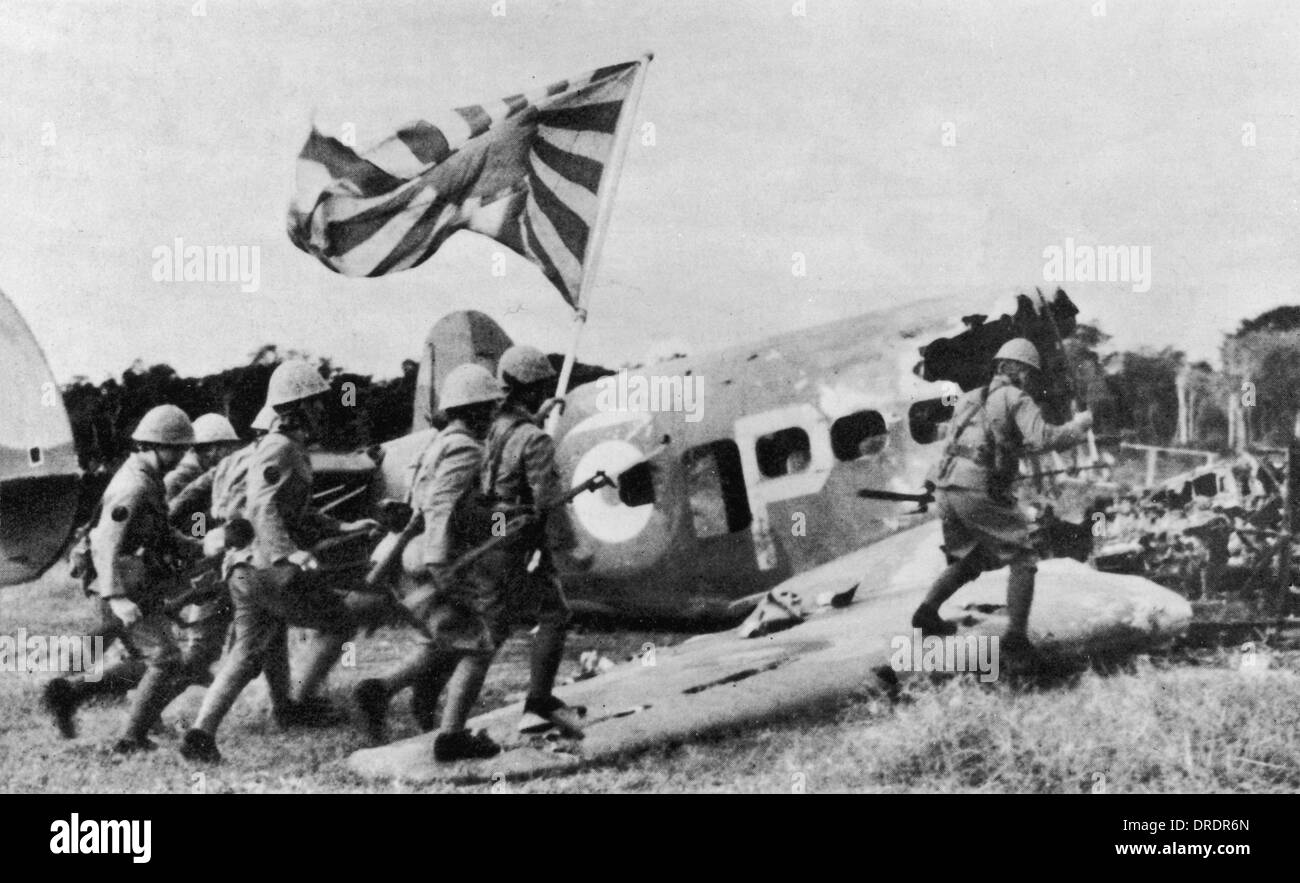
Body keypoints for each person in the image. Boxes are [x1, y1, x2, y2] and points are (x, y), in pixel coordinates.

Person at [179, 362, 385, 762]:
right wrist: (285, 553)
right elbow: (263, 506)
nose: (323, 410)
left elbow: (297, 513)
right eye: (316, 403)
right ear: (297, 408)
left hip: (245, 571)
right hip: (266, 570)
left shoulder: (286, 447)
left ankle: (201, 734)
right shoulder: (280, 448)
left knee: (246, 654)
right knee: (340, 620)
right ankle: (300, 701)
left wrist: (343, 527)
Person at [353, 364, 504, 760]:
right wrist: (441, 564)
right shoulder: (466, 448)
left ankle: (380, 690)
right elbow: (440, 508)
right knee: (479, 646)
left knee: (448, 640)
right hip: (432, 557)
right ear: (472, 411)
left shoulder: (436, 444)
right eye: (488, 408)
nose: (492, 415)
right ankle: (451, 737)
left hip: (409, 557)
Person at [911, 338, 1092, 658]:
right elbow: (1044, 437)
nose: (1032, 381)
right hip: (975, 488)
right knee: (1023, 558)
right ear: (1019, 370)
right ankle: (1016, 640)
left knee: (970, 559)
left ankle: (926, 614)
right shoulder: (1015, 397)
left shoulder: (969, 398)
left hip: (947, 488)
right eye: (1031, 374)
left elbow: (1005, 443)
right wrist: (1078, 427)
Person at [43, 405, 204, 752]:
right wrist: (116, 596)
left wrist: (196, 547)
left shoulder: (146, 476)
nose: (181, 457)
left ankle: (73, 693)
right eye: (176, 448)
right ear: (154, 445)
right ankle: (130, 739)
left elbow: (158, 531)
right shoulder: (134, 485)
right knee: (165, 659)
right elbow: (105, 541)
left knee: (143, 660)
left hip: (129, 575)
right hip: (121, 579)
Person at [473, 345, 580, 734]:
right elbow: (547, 499)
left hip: (492, 530)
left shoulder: (491, 427)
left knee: (492, 622)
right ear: (533, 388)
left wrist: (536, 417)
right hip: (518, 532)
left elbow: (508, 448)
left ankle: (400, 690)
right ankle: (537, 704)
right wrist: (568, 548)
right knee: (554, 614)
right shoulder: (534, 439)